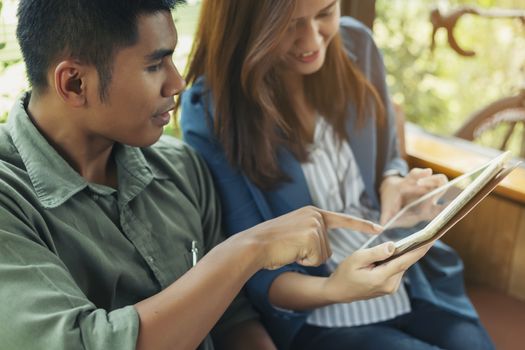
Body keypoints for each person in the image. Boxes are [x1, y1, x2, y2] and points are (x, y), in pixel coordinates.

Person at [0, 1, 398, 349]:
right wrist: (248, 248)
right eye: (155, 65)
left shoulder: (180, 167)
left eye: (172, 59)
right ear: (74, 82)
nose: (176, 83)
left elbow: (233, 318)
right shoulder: (9, 202)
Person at [180, 0, 495, 349]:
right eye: (289, 25)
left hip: (415, 280)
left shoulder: (357, 44)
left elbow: (388, 156)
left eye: (325, 13)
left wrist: (395, 185)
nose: (313, 40)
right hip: (320, 312)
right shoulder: (209, 111)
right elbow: (255, 270)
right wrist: (335, 289)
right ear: (247, 27)